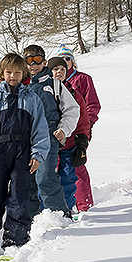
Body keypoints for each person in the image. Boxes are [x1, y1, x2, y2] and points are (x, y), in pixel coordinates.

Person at [0, 54, 50, 250]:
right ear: (2, 73)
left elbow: (40, 129)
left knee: (19, 195)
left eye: (17, 72)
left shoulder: (31, 98)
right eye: (9, 72)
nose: (13, 76)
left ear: (23, 73)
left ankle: (15, 238)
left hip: (22, 151)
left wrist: (37, 154)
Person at [23, 44, 79, 219]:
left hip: (47, 136)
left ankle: (59, 215)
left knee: (45, 176)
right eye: (29, 61)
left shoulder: (54, 85)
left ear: (44, 61)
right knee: (26, 180)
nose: (33, 65)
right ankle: (30, 219)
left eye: (37, 60)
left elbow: (72, 109)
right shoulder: (19, 84)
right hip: (24, 138)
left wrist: (64, 129)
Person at [54, 46, 100, 212]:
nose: (64, 63)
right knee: (58, 170)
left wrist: (87, 127)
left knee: (77, 168)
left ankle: (84, 206)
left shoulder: (82, 79)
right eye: (60, 61)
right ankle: (61, 208)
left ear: (72, 61)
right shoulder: (51, 83)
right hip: (56, 135)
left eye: (67, 59)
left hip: (77, 133)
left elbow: (92, 104)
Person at [49, 56, 91, 212]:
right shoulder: (44, 91)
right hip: (48, 146)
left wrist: (82, 143)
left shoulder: (73, 93)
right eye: (55, 69)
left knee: (69, 179)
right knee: (47, 181)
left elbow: (83, 120)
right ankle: (46, 213)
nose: (59, 72)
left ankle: (68, 210)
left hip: (69, 145)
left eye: (62, 69)